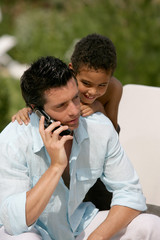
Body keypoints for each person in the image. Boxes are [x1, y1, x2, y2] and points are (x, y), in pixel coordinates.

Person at [0, 56, 160, 240]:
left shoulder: (99, 127)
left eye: (75, 98)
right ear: (37, 110)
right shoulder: (12, 140)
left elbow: (131, 194)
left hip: (79, 224)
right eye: (61, 105)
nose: (75, 110)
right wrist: (56, 167)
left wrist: (97, 237)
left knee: (151, 226)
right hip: (34, 231)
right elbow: (13, 221)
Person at [11, 33, 122, 210]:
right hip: (63, 150)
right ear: (72, 70)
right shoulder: (63, 84)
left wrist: (98, 108)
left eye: (102, 85)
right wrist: (26, 110)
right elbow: (43, 103)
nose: (92, 92)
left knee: (104, 198)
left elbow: (111, 132)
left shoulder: (114, 89)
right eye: (86, 83)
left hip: (94, 151)